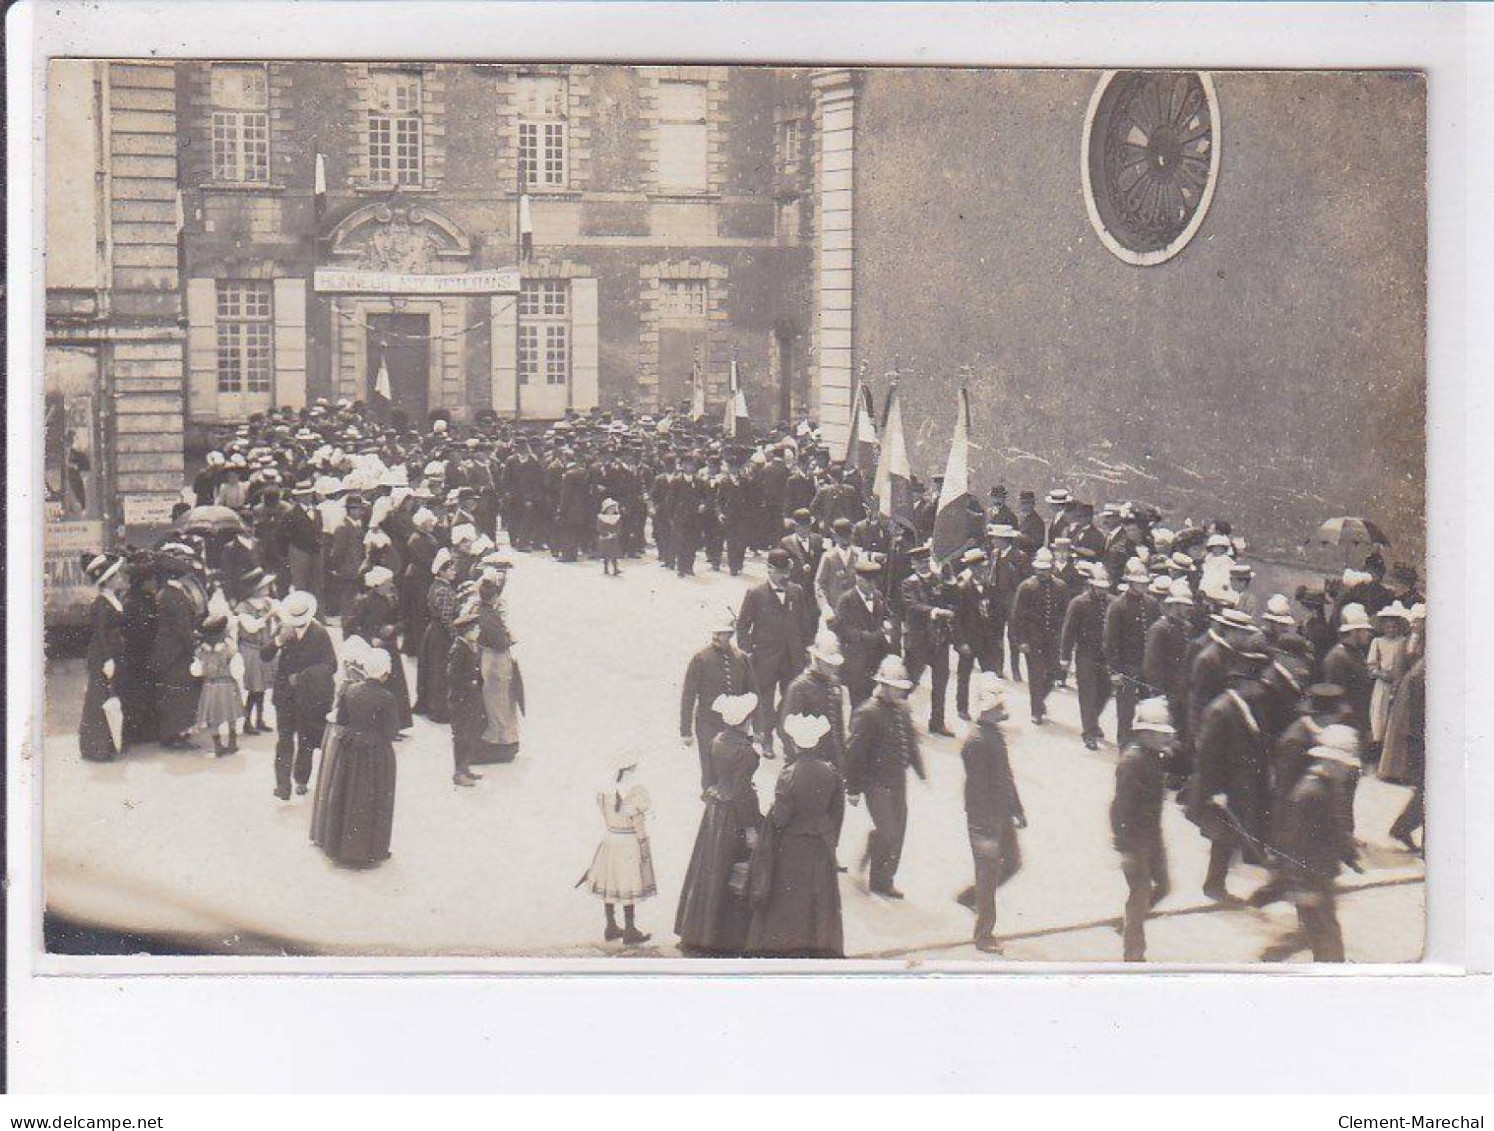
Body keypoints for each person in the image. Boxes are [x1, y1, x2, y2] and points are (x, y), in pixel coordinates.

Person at [745, 721, 846, 958]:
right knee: (819, 900)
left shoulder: (788, 774)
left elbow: (780, 817)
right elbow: (837, 813)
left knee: (791, 901)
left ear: (794, 743)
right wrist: (830, 839)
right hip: (820, 843)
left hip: (793, 845)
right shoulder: (830, 771)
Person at [1260, 725, 1361, 962]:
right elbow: (1295, 844)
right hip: (1310, 880)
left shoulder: (1329, 786)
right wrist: (1302, 886)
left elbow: (1335, 827)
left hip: (1321, 875)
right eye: (1346, 765)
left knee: (1322, 933)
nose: (1349, 770)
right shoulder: (1309, 793)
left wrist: (1348, 853)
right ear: (1332, 762)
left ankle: (1279, 958)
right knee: (1325, 936)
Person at [674, 693, 762, 957]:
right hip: (734, 817)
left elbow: (712, 779)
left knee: (707, 871)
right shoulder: (747, 753)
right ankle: (724, 937)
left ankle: (698, 931)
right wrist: (750, 828)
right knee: (731, 875)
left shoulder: (717, 741)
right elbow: (742, 793)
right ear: (746, 720)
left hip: (715, 814)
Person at [310, 643, 400, 867]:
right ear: (385, 672)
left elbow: (340, 720)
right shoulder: (387, 697)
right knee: (373, 800)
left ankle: (340, 846)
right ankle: (369, 850)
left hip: (349, 751)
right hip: (375, 755)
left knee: (346, 796)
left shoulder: (350, 690)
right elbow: (391, 732)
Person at [955, 674, 1026, 953]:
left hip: (1001, 814)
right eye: (998, 705)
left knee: (1013, 863)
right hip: (984, 819)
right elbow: (978, 790)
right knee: (988, 872)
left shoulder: (994, 734)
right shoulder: (975, 742)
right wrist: (986, 833)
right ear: (988, 708)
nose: (1003, 709)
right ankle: (983, 935)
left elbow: (1006, 777)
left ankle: (970, 897)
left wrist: (1016, 809)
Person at [846, 655, 927, 899]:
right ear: (884, 685)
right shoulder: (867, 713)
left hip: (897, 781)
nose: (901, 694)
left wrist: (920, 771)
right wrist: (853, 788)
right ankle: (863, 857)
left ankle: (882, 880)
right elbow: (855, 753)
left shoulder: (902, 708)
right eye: (897, 689)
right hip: (876, 783)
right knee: (887, 831)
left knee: (897, 833)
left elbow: (909, 742)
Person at [1111, 697, 1174, 962]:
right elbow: (1120, 808)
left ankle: (1128, 924)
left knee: (1163, 886)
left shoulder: (1151, 755)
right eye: (1160, 735)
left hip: (1151, 837)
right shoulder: (1132, 761)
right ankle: (1133, 953)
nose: (1165, 740)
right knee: (1140, 894)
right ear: (1145, 733)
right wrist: (1124, 845)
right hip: (1135, 841)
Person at [263, 590, 337, 801]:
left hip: (309, 698)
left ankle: (301, 779)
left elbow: (331, 665)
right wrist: (278, 641)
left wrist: (303, 677)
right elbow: (264, 655)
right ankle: (283, 786)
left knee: (305, 741)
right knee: (284, 740)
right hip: (284, 697)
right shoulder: (284, 628)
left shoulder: (320, 633)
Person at [736, 548, 813, 754]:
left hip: (792, 657)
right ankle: (766, 738)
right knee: (765, 701)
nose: (785, 576)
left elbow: (805, 622)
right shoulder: (755, 594)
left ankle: (785, 735)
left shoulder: (796, 591)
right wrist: (747, 652)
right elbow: (742, 625)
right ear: (769, 570)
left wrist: (806, 648)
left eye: (787, 571)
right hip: (765, 658)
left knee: (791, 698)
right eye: (780, 572)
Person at [581, 762, 656, 946]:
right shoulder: (635, 793)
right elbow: (639, 825)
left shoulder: (605, 791)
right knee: (628, 884)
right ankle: (630, 929)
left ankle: (611, 926)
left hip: (610, 838)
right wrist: (644, 846)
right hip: (629, 842)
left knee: (611, 882)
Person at [679, 614, 755, 790]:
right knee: (709, 770)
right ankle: (710, 808)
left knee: (735, 770)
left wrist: (758, 727)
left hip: (736, 725)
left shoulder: (742, 658)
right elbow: (688, 694)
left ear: (731, 635)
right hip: (708, 723)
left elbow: (753, 691)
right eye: (715, 633)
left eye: (722, 633)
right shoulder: (700, 658)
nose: (717, 637)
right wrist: (686, 730)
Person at [78, 552, 128, 762]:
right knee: (99, 700)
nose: (121, 579)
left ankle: (109, 742)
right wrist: (107, 658)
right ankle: (96, 748)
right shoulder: (100, 603)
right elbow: (99, 634)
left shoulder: (113, 599)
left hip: (112, 654)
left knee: (109, 699)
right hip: (102, 656)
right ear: (108, 579)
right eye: (117, 576)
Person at [901, 543, 956, 736]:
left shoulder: (938, 580)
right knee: (909, 682)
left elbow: (951, 599)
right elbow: (912, 606)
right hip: (918, 641)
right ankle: (897, 719)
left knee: (940, 683)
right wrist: (934, 611)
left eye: (925, 561)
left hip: (939, 640)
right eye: (919, 562)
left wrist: (951, 582)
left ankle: (937, 722)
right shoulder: (909, 583)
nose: (923, 565)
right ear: (913, 564)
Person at [1010, 548, 1068, 725]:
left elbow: (1065, 614)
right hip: (1033, 638)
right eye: (1039, 569)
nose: (1042, 573)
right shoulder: (1026, 586)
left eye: (1046, 569)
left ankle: (1039, 699)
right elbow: (1016, 615)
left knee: (1052, 673)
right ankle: (1036, 710)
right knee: (1035, 674)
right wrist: (1020, 640)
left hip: (1052, 638)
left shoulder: (1061, 586)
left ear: (1051, 569)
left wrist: (1063, 640)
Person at [151, 555, 204, 749]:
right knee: (178, 694)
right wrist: (194, 647)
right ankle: (173, 736)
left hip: (168, 650)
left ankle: (172, 734)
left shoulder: (166, 593)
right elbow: (182, 628)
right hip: (176, 652)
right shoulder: (175, 596)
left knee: (172, 693)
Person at [778, 629, 848, 771]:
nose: (832, 669)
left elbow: (838, 725)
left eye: (834, 665)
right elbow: (786, 729)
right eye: (828, 664)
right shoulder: (799, 687)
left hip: (832, 760)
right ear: (816, 659)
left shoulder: (834, 683)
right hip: (809, 761)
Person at [475, 566, 523, 764]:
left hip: (491, 660)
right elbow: (500, 641)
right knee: (500, 703)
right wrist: (509, 638)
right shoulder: (490, 616)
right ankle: (502, 743)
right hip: (496, 662)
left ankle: (501, 739)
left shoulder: (482, 611)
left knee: (499, 702)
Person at [1061, 565, 1112, 749]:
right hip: (1085, 655)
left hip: (1105, 657)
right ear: (1091, 585)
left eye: (1105, 587)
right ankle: (1089, 732)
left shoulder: (1112, 603)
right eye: (1099, 587)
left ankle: (1093, 720)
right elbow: (1069, 631)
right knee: (1088, 694)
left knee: (1105, 690)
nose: (1102, 591)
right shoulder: (1079, 603)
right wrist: (1065, 657)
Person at [1105, 558, 1153, 745]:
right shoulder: (1117, 606)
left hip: (1146, 667)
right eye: (1137, 583)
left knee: (1148, 710)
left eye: (1143, 583)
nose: (1141, 586)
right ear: (1130, 583)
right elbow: (1110, 641)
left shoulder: (1151, 604)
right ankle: (1124, 746)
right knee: (1125, 712)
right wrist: (1114, 671)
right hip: (1126, 666)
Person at [833, 558, 892, 706]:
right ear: (858, 579)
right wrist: (866, 636)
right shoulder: (846, 599)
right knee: (858, 701)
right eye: (868, 581)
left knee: (872, 699)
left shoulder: (878, 596)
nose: (872, 586)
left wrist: (887, 625)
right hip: (856, 660)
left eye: (874, 582)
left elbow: (887, 615)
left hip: (875, 658)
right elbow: (841, 628)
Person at [1323, 603, 1376, 757]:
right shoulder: (1338, 657)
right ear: (1354, 632)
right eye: (1365, 630)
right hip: (1345, 728)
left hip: (1358, 724)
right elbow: (1335, 697)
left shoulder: (1356, 654)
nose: (1368, 634)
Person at [414, 550, 459, 723]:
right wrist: (456, 636)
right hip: (441, 635)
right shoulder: (443, 591)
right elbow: (447, 618)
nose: (454, 571)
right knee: (440, 672)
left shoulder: (437, 587)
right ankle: (440, 711)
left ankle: (430, 705)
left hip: (433, 631)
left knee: (432, 669)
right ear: (441, 571)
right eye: (450, 569)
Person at [191, 614, 243, 757]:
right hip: (227, 685)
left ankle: (218, 746)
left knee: (212, 718)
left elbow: (196, 671)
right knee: (231, 714)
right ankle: (232, 743)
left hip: (209, 686)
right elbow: (237, 670)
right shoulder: (229, 648)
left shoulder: (201, 651)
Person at [234, 569, 279, 735]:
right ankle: (247, 721)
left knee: (263, 687)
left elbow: (281, 615)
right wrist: (269, 616)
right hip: (251, 650)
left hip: (264, 648)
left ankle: (259, 719)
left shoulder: (267, 602)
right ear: (256, 589)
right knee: (255, 688)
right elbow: (251, 627)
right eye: (265, 585)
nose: (268, 587)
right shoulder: (243, 607)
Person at [1366, 601, 1412, 756]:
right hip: (1382, 683)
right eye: (1388, 626)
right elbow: (1371, 665)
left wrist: (1398, 677)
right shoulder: (1377, 642)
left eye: (1394, 626)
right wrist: (1380, 674)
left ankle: (1390, 751)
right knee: (1379, 714)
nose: (1391, 629)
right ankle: (1375, 747)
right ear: (1383, 627)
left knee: (1394, 716)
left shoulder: (1403, 642)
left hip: (1398, 683)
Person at [814, 517, 859, 619]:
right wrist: (825, 606)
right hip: (835, 609)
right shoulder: (828, 557)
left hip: (855, 610)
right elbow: (819, 584)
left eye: (848, 535)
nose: (845, 539)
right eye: (841, 536)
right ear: (834, 537)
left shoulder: (857, 556)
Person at [597, 496, 624, 577]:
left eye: (613, 508)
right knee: (606, 555)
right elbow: (599, 528)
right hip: (605, 539)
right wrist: (605, 533)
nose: (611, 510)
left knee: (614, 555)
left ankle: (615, 568)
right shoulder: (601, 518)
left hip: (614, 539)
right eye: (609, 508)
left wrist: (616, 533)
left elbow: (619, 527)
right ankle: (606, 568)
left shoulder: (617, 518)